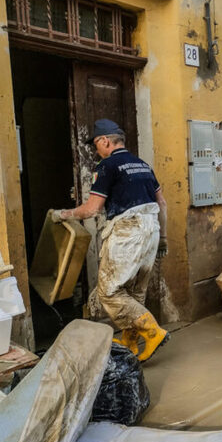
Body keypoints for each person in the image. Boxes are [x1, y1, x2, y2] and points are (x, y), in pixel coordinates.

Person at [52, 119, 169, 362]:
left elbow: (92, 209)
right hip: (152, 228)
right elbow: (162, 204)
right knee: (134, 292)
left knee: (109, 292)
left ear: (105, 141)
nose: (96, 151)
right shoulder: (143, 165)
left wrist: (63, 214)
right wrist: (163, 238)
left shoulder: (107, 165)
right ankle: (129, 340)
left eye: (96, 145)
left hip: (128, 230)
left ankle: (153, 331)